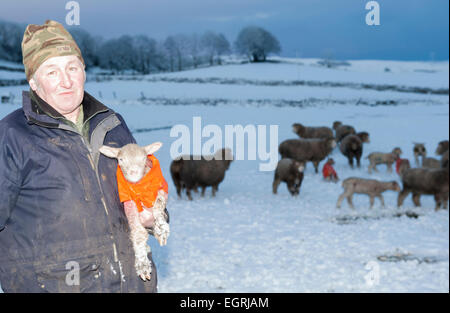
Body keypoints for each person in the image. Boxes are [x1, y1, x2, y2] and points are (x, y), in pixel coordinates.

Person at [0, 20, 161, 292]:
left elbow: (147, 189)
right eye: (51, 71)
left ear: (84, 71)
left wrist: (153, 217)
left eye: (72, 67)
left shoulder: (113, 125)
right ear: (33, 82)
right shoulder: (12, 136)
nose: (66, 80)